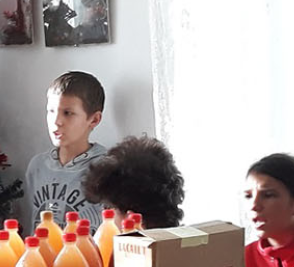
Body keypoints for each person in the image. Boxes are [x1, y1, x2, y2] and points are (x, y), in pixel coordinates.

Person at [25, 71, 108, 228]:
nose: (56, 121)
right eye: (51, 111)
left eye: (68, 113)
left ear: (94, 119)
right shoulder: (37, 167)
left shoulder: (106, 169)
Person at [82, 135, 186, 230]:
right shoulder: (185, 241)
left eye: (108, 209)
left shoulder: (115, 240)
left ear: (131, 219)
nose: (104, 221)